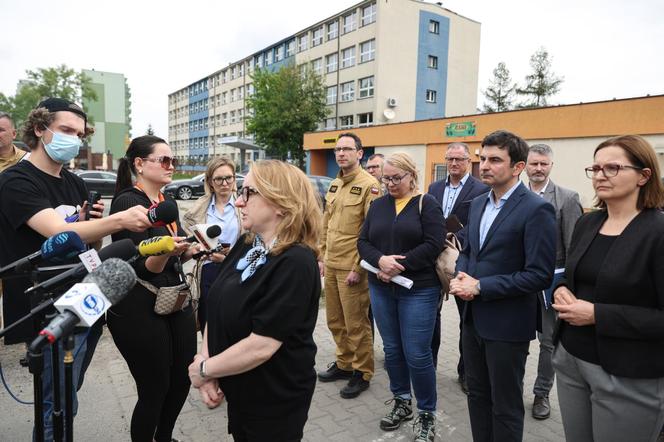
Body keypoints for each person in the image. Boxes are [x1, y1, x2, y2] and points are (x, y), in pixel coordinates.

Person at [0, 98, 151, 441]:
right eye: (66, 130)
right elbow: (58, 232)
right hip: (45, 307)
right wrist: (118, 219)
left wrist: (94, 228)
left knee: (68, 395)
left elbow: (85, 247)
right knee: (57, 404)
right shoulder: (15, 182)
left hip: (85, 297)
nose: (75, 139)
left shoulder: (76, 182)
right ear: (40, 129)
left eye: (80, 134)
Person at [188, 160, 322, 441]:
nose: (238, 201)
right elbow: (217, 304)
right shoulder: (250, 242)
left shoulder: (296, 261)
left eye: (248, 192)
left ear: (281, 203)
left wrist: (203, 370)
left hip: (274, 399)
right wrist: (207, 358)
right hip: (240, 387)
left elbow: (262, 345)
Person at [551, 135, 664, 442]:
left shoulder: (657, 232)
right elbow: (577, 276)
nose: (600, 175)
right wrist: (561, 288)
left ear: (644, 175)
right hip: (572, 359)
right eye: (596, 167)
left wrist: (599, 314)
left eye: (612, 168)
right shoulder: (589, 223)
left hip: (627, 372)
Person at [450, 129, 556, 442]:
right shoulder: (479, 202)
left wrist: (481, 286)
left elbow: (539, 275)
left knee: (506, 406)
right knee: (477, 396)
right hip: (472, 322)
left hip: (507, 326)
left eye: (495, 160)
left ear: (518, 167)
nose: (484, 165)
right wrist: (460, 274)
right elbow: (468, 251)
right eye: (482, 158)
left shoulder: (536, 209)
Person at [107, 135, 198, 442]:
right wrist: (165, 252)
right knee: (154, 388)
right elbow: (140, 264)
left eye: (173, 160)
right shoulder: (127, 203)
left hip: (173, 299)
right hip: (138, 305)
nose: (171, 166)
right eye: (164, 160)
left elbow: (176, 248)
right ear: (140, 164)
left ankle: (165, 437)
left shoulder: (164, 204)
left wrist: (190, 249)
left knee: (182, 379)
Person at [358, 152, 444, 442]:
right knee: (392, 350)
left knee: (417, 354)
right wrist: (381, 261)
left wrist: (398, 265)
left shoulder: (426, 204)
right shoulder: (379, 205)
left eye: (397, 178)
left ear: (412, 176)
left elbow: (434, 244)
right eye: (386, 178)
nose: (390, 183)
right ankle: (402, 401)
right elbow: (363, 241)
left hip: (418, 289)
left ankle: (427, 414)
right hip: (381, 287)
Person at [317, 132, 381, 399]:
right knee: (335, 320)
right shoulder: (334, 184)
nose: (341, 154)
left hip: (352, 267)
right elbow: (326, 222)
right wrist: (321, 254)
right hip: (331, 263)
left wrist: (359, 267)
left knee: (356, 323)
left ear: (359, 153)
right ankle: (344, 363)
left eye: (347, 149)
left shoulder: (370, 186)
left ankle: (362, 371)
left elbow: (371, 232)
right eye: (338, 150)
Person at [525, 143, 583, 420]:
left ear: (550, 166)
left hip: (552, 282)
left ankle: (541, 393)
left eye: (543, 164)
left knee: (548, 342)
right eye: (533, 163)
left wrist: (569, 286)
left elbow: (574, 248)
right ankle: (511, 389)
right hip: (517, 282)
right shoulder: (515, 195)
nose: (538, 168)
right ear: (524, 165)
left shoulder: (567, 198)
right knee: (514, 338)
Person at [427, 142, 488, 393]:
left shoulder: (481, 189)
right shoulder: (434, 187)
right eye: (450, 159)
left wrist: (453, 241)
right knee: (431, 315)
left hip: (461, 260)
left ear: (468, 161)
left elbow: (477, 224)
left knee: (466, 320)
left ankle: (466, 371)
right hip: (434, 258)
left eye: (459, 160)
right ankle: (428, 366)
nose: (454, 164)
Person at [183, 156, 241, 334]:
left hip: (237, 270)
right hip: (208, 272)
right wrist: (200, 249)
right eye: (219, 179)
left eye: (229, 177)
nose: (224, 183)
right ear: (210, 181)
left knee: (236, 324)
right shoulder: (200, 208)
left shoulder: (244, 205)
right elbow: (190, 239)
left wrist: (228, 256)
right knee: (209, 326)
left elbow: (256, 242)